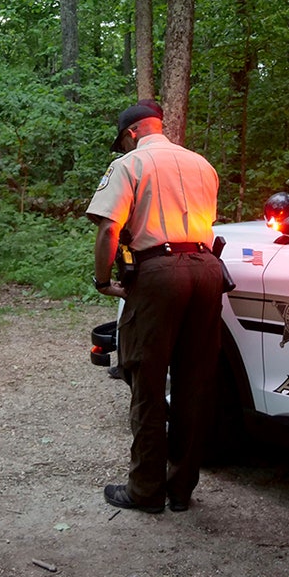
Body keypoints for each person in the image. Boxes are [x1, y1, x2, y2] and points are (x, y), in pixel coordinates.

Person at [87, 102, 223, 513]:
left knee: (146, 378)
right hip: (207, 270)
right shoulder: (202, 164)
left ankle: (145, 490)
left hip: (159, 274)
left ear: (130, 134)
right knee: (194, 384)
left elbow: (110, 227)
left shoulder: (129, 164)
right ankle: (181, 489)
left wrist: (102, 280)